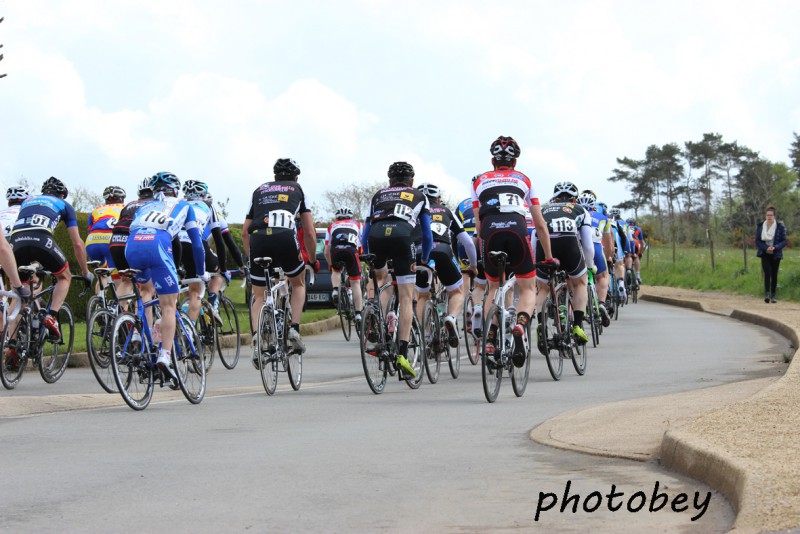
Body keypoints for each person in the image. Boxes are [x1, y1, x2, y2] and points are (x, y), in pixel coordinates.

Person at [472, 136, 553, 367]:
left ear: (492, 161)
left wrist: (482, 253)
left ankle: (489, 338)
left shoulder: (479, 181)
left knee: (494, 287)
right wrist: (548, 257)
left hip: (490, 232)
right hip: (518, 231)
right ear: (515, 162)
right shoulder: (524, 179)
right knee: (528, 287)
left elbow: (478, 224)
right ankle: (520, 323)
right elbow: (539, 225)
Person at [126, 172, 207, 378]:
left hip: (133, 246)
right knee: (168, 305)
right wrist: (201, 272)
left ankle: (138, 331)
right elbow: (196, 244)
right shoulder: (185, 206)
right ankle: (165, 354)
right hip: (157, 245)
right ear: (175, 190)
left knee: (146, 291)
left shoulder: (144, 205)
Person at [242, 158, 318, 366]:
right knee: (298, 283)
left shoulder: (259, 191)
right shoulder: (298, 189)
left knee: (259, 295)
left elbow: (244, 233)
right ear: (295, 177)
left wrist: (251, 259)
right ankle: (294, 328)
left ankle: (257, 335)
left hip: (258, 238)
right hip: (285, 235)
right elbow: (310, 232)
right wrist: (312, 260)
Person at [362, 161, 432, 378]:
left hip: (376, 237)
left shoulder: (378, 195)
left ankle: (377, 321)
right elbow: (427, 235)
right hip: (403, 238)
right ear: (412, 181)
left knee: (383, 281)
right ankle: (402, 353)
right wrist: (426, 259)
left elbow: (365, 231)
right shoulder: (419, 195)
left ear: (389, 181)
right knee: (406, 294)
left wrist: (367, 256)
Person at [8, 176, 93, 338]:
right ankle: (51, 316)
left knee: (19, 295)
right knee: (64, 277)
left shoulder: (28, 201)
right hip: (41, 238)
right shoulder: (64, 205)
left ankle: (9, 347)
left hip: (16, 242)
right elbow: (77, 243)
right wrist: (85, 272)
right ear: (61, 195)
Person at [415, 183, 477, 347]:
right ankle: (451, 317)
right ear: (439, 199)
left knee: (422, 296)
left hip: (419, 253)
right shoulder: (446, 211)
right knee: (457, 291)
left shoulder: (413, 211)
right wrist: (473, 265)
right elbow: (468, 243)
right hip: (443, 250)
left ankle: (426, 334)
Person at [534, 182, 595, 347]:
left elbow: (535, 235)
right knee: (581, 283)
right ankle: (578, 326)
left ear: (554, 198)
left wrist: (536, 263)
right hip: (569, 243)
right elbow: (588, 245)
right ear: (575, 199)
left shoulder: (544, 209)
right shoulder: (580, 209)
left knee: (543, 289)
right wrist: (589, 265)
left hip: (544, 245)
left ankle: (541, 325)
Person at [577, 191, 612, 326]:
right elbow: (608, 242)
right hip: (596, 246)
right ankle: (601, 303)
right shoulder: (603, 217)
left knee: (577, 281)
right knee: (602, 276)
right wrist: (608, 257)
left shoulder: (576, 214)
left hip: (578, 246)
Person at [324, 206, 364, 322]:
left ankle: (335, 289)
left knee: (336, 270)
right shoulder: (357, 224)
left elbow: (326, 250)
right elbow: (362, 244)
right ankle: (358, 314)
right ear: (351, 217)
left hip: (336, 250)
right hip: (351, 251)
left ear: (337, 218)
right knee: (355, 282)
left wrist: (331, 264)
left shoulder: (332, 226)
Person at [85, 186, 126, 271]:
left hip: (91, 241)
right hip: (111, 240)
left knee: (102, 274)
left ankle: (101, 282)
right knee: (117, 277)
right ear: (122, 199)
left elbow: (89, 231)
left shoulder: (95, 210)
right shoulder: (125, 208)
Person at [755, 205, 787, 303]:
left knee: (774, 274)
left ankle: (773, 295)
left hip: (776, 253)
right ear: (765, 216)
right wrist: (766, 248)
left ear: (774, 216)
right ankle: (767, 294)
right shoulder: (761, 226)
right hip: (765, 253)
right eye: (767, 215)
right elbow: (758, 241)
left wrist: (775, 247)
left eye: (771, 215)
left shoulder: (780, 226)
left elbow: (784, 241)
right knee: (767, 273)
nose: (769, 217)